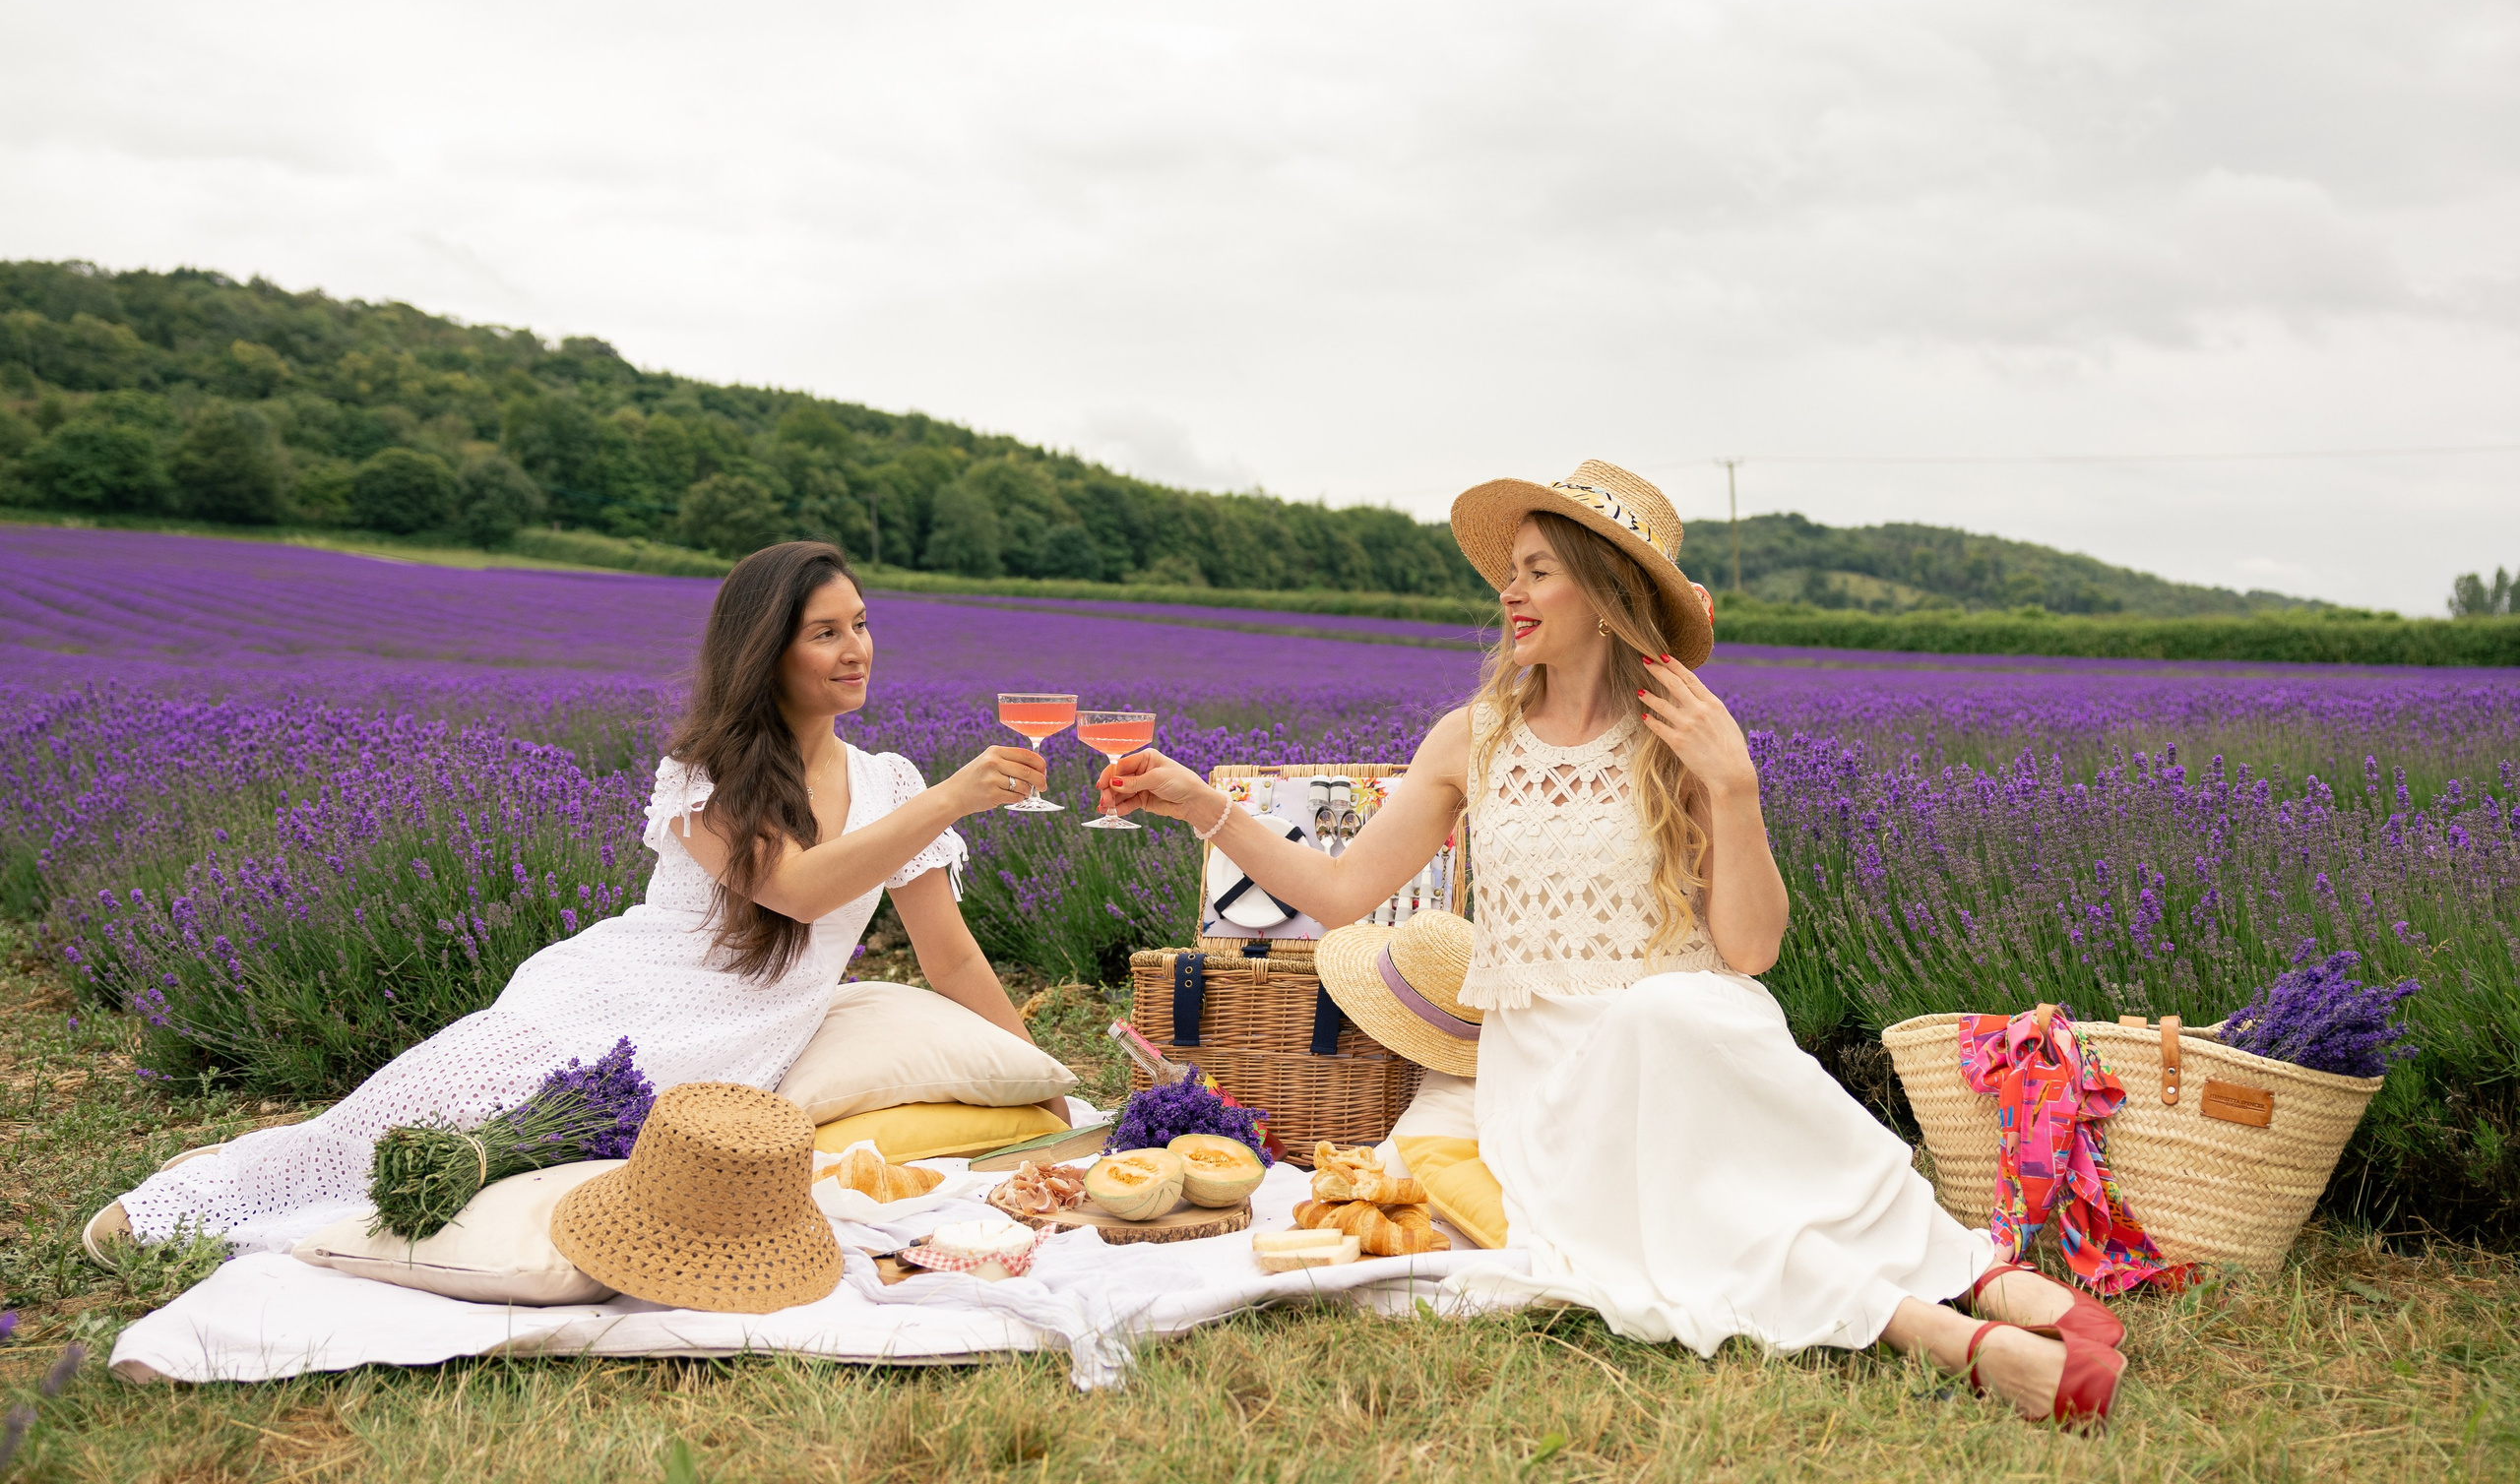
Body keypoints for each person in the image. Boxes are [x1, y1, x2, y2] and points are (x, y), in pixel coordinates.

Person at [1098, 461, 2128, 1425]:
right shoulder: (1471, 739)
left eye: (1537, 573)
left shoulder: (1681, 736)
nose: (1510, 594)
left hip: (1696, 1029)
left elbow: (1751, 946)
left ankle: (1969, 1274)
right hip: (1555, 1072)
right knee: (1678, 1125)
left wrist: (1734, 786)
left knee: (1674, 1020)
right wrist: (1202, 806)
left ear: (1599, 591)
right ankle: (1945, 1323)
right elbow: (1340, 889)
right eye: (1509, 575)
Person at [99, 541, 1057, 1257]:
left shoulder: (891, 783)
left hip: (741, 1043)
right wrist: (953, 796)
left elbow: (953, 958)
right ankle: (203, 1196)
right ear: (768, 651)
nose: (857, 649)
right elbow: (797, 892)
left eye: (862, 623)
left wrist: (1046, 1082)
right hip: (614, 993)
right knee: (443, 1100)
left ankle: (286, 1175)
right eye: (826, 632)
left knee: (523, 1163)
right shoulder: (706, 769)